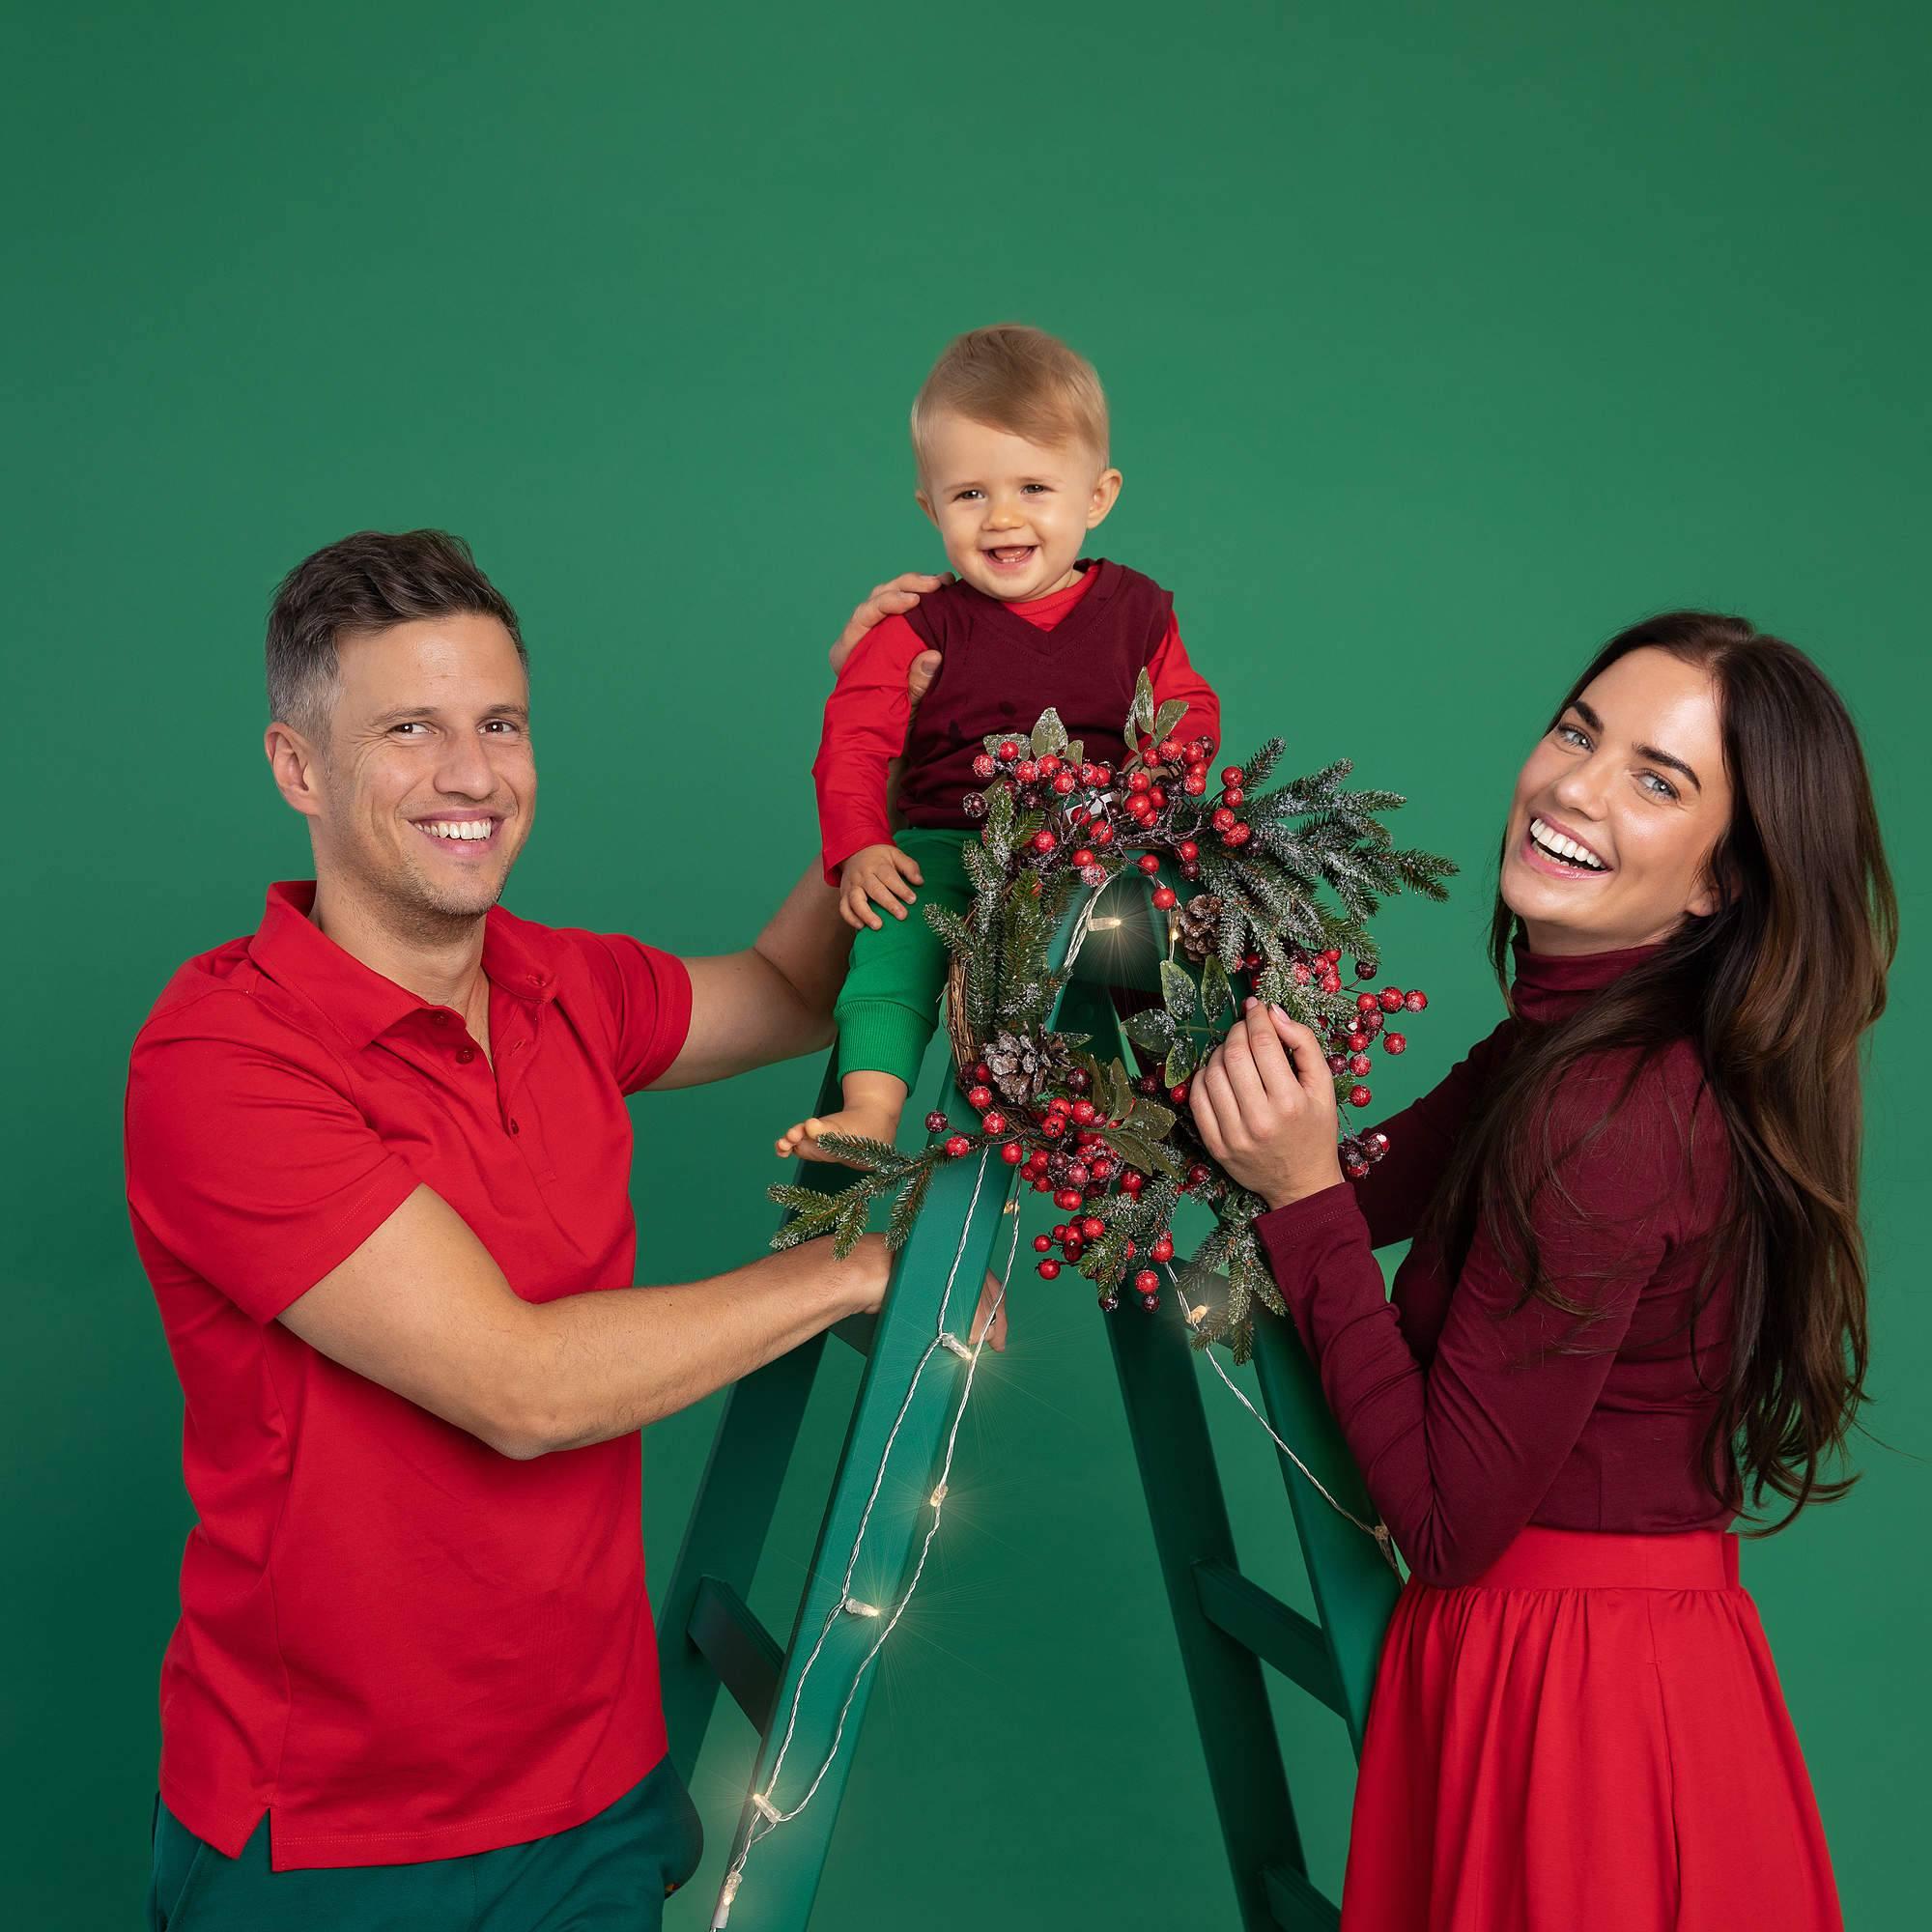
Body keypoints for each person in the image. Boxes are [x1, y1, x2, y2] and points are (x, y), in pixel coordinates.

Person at [125, 529, 966, 1929]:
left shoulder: (556, 984)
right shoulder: (222, 1057)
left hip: (596, 1794)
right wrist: (859, 1270)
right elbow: (518, 1389)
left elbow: (784, 987)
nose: (473, 775)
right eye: (411, 730)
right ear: (297, 770)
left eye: (499, 724)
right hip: (336, 1837)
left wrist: (902, 767)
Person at [1187, 612, 1891, 1930]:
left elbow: (1448, 1523)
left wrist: (1298, 1191)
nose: (1574, 785)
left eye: (1656, 778)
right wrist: (1184, 1010)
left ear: (1718, 885)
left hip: (1581, 1708)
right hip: (1563, 1668)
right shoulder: (1562, 1047)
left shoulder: (1611, 1114)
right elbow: (1355, 1182)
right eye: (1580, 730)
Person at [776, 322, 1220, 1163]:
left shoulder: (1138, 613)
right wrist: (862, 845)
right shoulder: (916, 624)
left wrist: (1154, 785)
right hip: (951, 838)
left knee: (1151, 937)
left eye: (1034, 488)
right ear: (930, 507)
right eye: (970, 494)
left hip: (1094, 842)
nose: (1003, 517)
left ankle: (1177, 1108)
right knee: (892, 939)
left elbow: (1188, 707)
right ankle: (869, 1110)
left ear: (1097, 496)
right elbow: (855, 740)